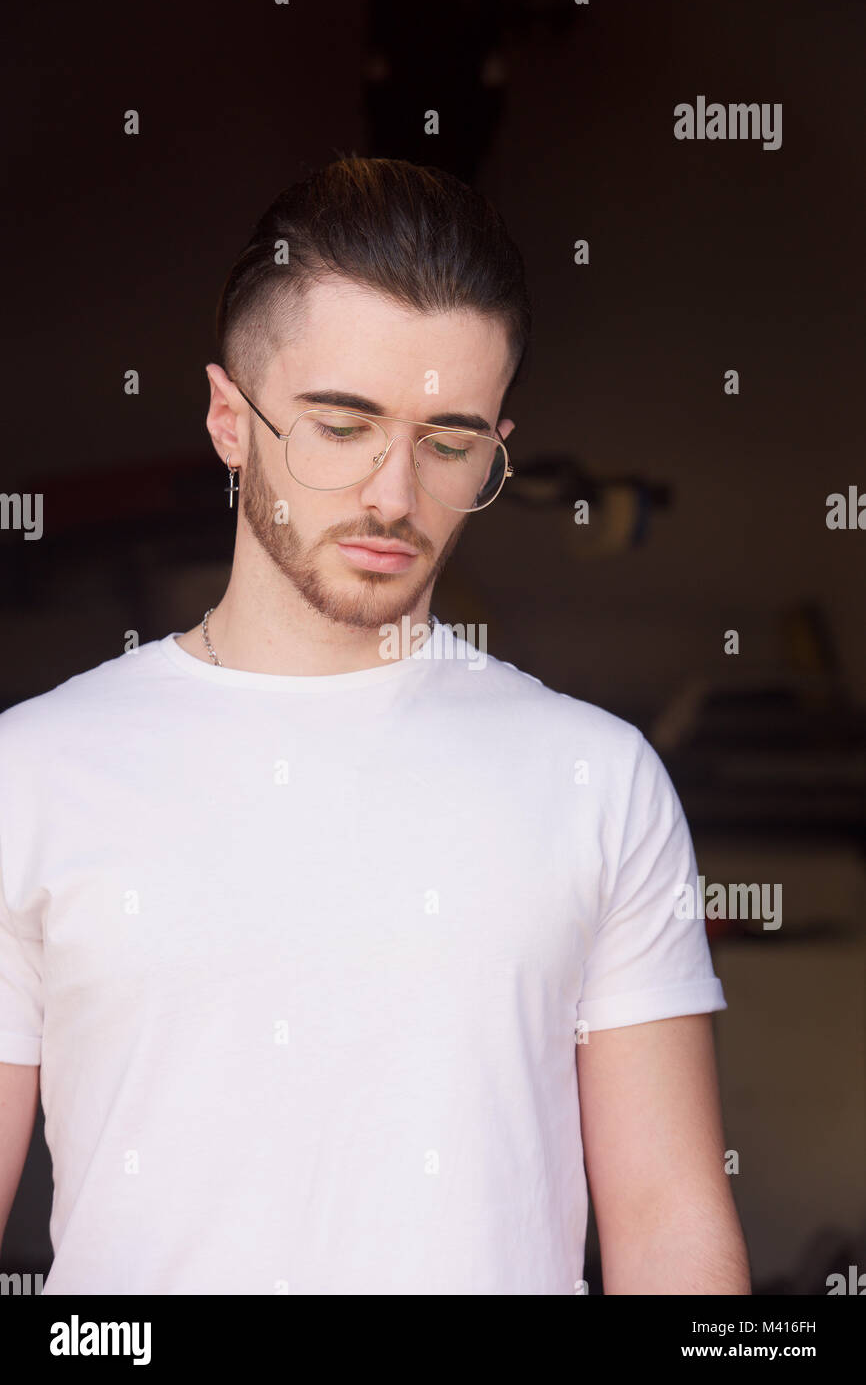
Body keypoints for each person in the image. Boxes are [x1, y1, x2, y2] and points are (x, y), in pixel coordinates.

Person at [0, 156, 749, 1295]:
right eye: (341, 426)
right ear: (227, 420)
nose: (394, 495)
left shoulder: (597, 779)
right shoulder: (34, 773)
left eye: (447, 443)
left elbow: (668, 1231)